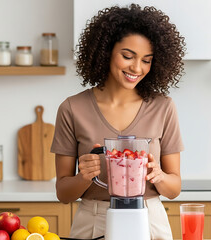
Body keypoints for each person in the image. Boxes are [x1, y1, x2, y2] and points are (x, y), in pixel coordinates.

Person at [51, 4, 185, 240]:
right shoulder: (72, 108)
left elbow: (174, 189)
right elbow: (63, 193)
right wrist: (83, 177)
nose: (137, 68)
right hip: (92, 221)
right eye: (127, 56)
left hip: (150, 220)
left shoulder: (163, 107)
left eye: (147, 60)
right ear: (105, 51)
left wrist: (160, 176)